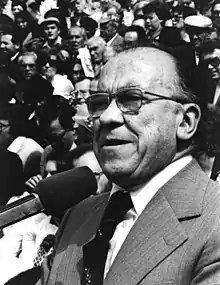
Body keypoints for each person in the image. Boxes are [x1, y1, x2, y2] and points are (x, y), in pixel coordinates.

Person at [39, 45, 220, 285]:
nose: (106, 117)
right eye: (100, 103)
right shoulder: (78, 215)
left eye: (132, 99)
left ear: (185, 122)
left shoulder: (214, 222)